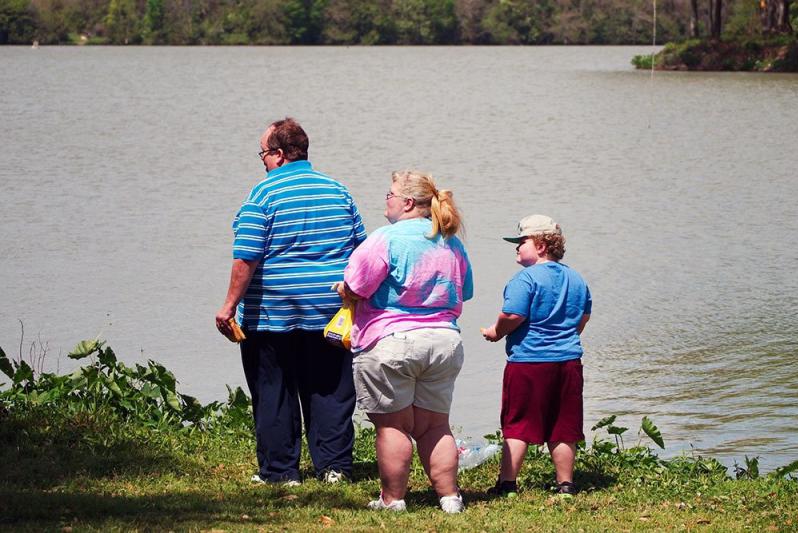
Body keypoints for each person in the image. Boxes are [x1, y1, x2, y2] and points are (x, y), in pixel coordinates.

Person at [215, 118, 367, 485]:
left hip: (272, 315)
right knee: (330, 389)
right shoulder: (338, 191)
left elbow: (246, 256)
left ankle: (281, 472)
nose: (263, 161)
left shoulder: (263, 194)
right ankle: (333, 468)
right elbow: (361, 251)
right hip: (329, 313)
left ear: (280, 155)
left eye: (263, 154)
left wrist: (228, 305)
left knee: (273, 390)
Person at [335, 170, 473, 513]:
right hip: (444, 341)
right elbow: (465, 291)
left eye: (389, 194)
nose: (386, 200)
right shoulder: (451, 242)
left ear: (408, 203)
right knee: (435, 425)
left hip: (391, 341)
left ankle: (393, 500)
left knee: (392, 426)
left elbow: (357, 285)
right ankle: (450, 497)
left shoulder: (386, 238)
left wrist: (343, 291)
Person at [481, 214, 591, 498]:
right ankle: (565, 484)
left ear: (542, 245)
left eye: (522, 241)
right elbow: (583, 316)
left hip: (529, 362)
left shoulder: (525, 279)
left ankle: (507, 484)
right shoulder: (576, 278)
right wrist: (565, 337)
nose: (517, 247)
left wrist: (496, 331)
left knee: (517, 423)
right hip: (568, 361)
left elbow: (513, 314)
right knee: (563, 425)